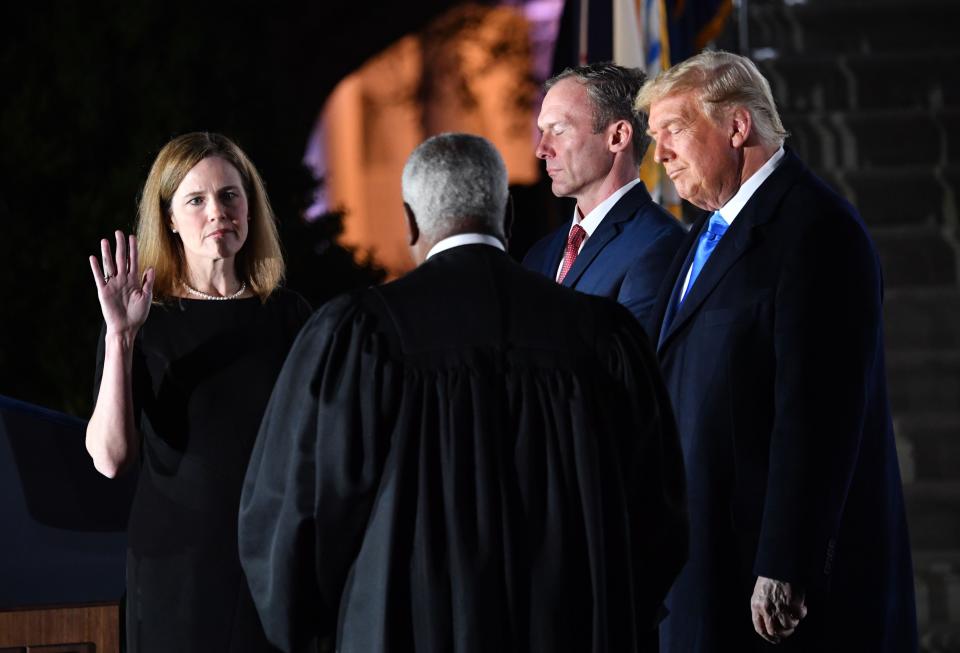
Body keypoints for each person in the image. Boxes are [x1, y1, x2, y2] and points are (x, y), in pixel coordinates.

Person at [238, 133, 687, 653]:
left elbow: (292, 517)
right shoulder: (602, 335)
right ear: (507, 215)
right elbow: (660, 518)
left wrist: (329, 630)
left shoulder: (360, 335)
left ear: (410, 222)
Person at [636, 51, 917, 652]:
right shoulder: (703, 235)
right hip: (698, 564)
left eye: (673, 131)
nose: (658, 155)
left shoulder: (817, 231)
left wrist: (788, 559)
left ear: (737, 127)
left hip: (765, 590)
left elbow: (819, 414)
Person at [86, 132, 312, 653]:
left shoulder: (289, 315)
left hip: (271, 564)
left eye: (231, 195)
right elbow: (110, 459)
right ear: (168, 218)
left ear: (250, 208)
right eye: (196, 200)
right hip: (176, 569)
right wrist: (121, 337)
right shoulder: (142, 319)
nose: (218, 212)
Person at [523, 62, 685, 334]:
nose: (542, 149)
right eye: (542, 131)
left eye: (559, 130)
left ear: (617, 137)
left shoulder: (660, 245)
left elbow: (631, 369)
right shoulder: (541, 254)